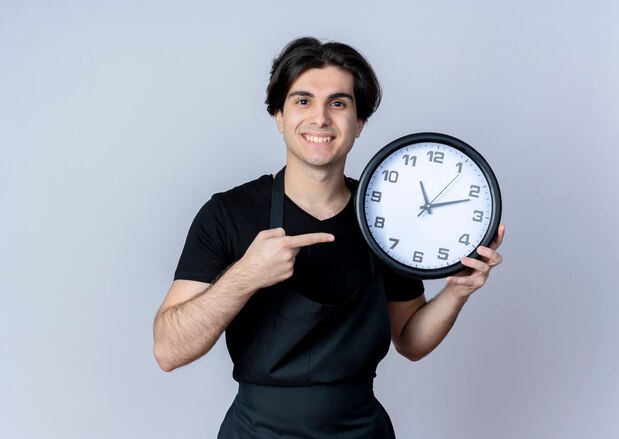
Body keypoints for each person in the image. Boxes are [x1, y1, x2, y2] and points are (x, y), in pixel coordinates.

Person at [153, 36, 505, 438]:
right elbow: (168, 350)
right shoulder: (227, 214)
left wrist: (457, 292)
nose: (320, 118)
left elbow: (409, 340)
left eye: (338, 103)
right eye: (303, 101)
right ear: (278, 116)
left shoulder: (388, 219)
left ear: (358, 123)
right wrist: (246, 275)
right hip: (258, 431)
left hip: (361, 430)